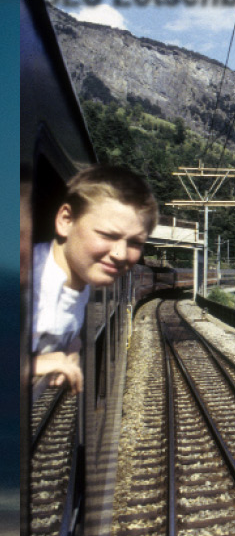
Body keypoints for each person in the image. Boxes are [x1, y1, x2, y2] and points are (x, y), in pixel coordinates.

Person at [31, 166, 158, 395]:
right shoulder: (25, 281)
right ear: (65, 220)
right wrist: (28, 366)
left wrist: (71, 344)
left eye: (135, 243)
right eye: (107, 235)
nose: (120, 254)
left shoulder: (81, 281)